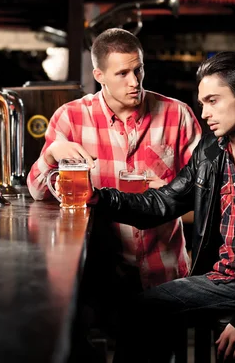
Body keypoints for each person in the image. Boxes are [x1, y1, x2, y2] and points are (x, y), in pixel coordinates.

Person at [88, 51, 235, 362]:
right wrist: (100, 197)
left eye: (213, 101)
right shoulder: (210, 151)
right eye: (202, 103)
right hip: (225, 279)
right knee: (140, 309)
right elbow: (165, 201)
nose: (204, 113)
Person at [26, 28, 202, 358]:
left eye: (139, 70)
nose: (134, 81)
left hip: (161, 269)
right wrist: (49, 156)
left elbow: (208, 193)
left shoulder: (177, 116)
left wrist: (169, 192)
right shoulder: (71, 117)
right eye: (122, 73)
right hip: (98, 271)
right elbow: (38, 194)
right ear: (99, 75)